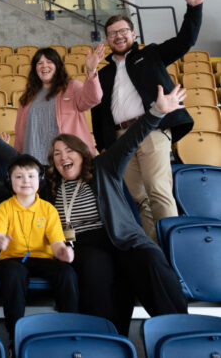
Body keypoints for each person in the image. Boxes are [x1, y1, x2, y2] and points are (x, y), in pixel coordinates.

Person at [47, 84, 189, 335]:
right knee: (95, 268)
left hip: (121, 238)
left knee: (151, 258)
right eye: (57, 154)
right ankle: (106, 338)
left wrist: (156, 112)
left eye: (69, 150)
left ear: (82, 154)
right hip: (82, 243)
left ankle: (179, 332)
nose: (63, 157)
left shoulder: (103, 167)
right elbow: (18, 171)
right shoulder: (50, 185)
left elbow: (130, 141)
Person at [91, 0, 207, 241]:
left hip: (152, 130)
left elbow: (186, 40)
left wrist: (194, 8)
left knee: (158, 191)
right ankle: (155, 252)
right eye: (113, 33)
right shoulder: (104, 73)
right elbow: (98, 112)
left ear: (133, 34)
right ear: (107, 40)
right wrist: (104, 145)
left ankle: (175, 250)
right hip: (121, 138)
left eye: (123, 31)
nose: (119, 36)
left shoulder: (151, 54)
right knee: (139, 198)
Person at [0, 154, 78, 348]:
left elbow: (56, 242)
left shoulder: (48, 209)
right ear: (9, 180)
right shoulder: (4, 208)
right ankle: (15, 336)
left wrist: (62, 252)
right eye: (19, 176)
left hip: (42, 258)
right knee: (14, 272)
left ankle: (70, 331)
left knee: (66, 272)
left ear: (40, 180)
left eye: (31, 176)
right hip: (11, 259)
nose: (25, 181)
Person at [15, 45, 104, 163]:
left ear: (57, 65)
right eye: (39, 63)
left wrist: (91, 71)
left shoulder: (72, 86)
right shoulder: (28, 96)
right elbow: (20, 132)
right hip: (34, 160)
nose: (44, 66)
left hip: (67, 160)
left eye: (49, 62)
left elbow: (93, 98)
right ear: (35, 68)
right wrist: (18, 159)